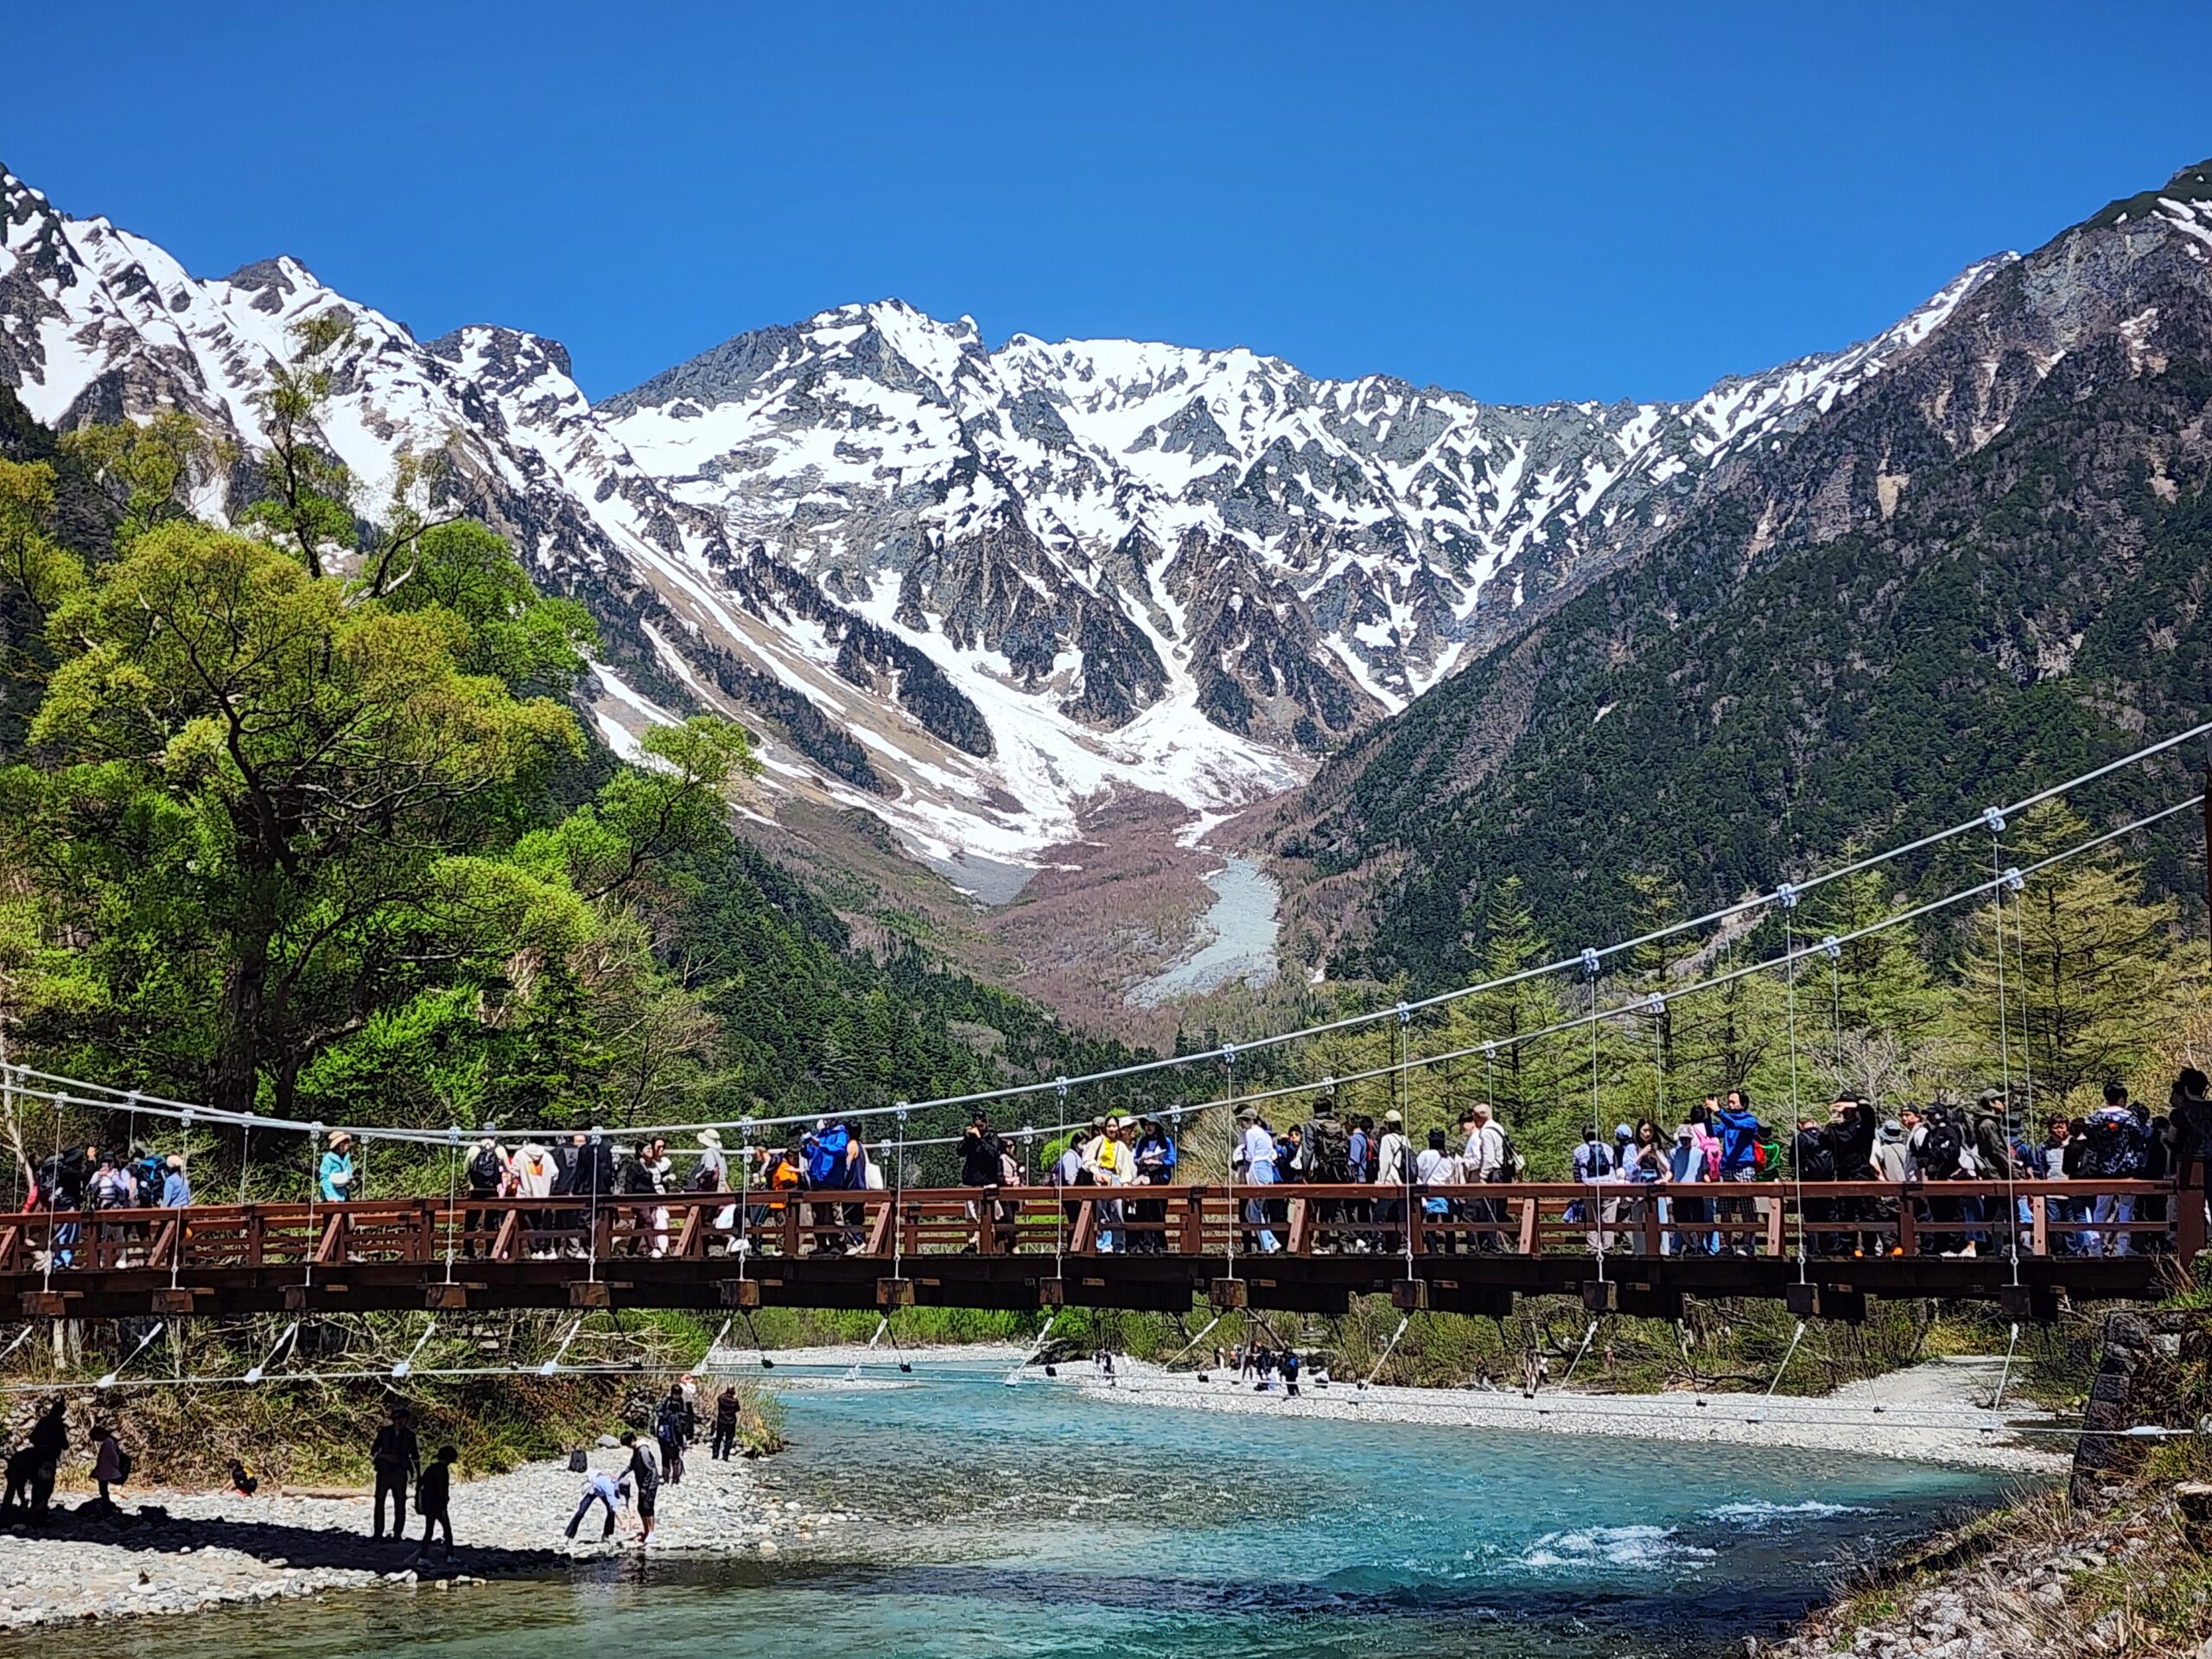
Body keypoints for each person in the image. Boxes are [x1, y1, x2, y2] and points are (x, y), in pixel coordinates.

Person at [1233, 1105, 1281, 1254]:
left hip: (1257, 1168)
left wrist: (1239, 1156)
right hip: (1267, 1169)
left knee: (1254, 1211)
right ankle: (1270, 1242)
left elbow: (1250, 1155)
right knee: (1252, 1211)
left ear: (1248, 1121)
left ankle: (1268, 1245)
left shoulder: (1251, 1133)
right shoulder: (1265, 1134)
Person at [371, 1406, 420, 1540]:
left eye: (403, 1419)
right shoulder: (384, 1432)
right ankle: (378, 1533)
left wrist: (418, 1473)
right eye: (398, 1419)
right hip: (384, 1472)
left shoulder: (410, 1436)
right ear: (394, 1420)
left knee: (400, 1503)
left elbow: (415, 1456)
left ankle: (398, 1533)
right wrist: (387, 1457)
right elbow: (374, 1451)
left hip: (400, 1472)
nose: (401, 1422)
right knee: (379, 1501)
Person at [1131, 1116, 1177, 1253]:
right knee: (1143, 1212)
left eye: (1152, 1124)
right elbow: (1135, 1158)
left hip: (1159, 1178)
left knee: (1158, 1212)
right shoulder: (1142, 1141)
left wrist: (1159, 1162)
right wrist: (1143, 1160)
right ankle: (1145, 1246)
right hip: (1144, 1177)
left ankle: (1160, 1246)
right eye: (1146, 1125)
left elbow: (1172, 1160)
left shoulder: (1166, 1141)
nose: (1148, 1127)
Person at [512, 1140, 560, 1258]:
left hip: (527, 1197)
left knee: (530, 1225)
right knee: (546, 1224)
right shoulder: (547, 1156)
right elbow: (555, 1173)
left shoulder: (520, 1154)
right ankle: (547, 1249)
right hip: (544, 1196)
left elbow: (513, 1172)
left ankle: (535, 1251)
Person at [1372, 1109, 1410, 1255]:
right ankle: (1399, 1244)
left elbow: (1385, 1162)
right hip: (1403, 1182)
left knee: (1381, 1215)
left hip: (1390, 1182)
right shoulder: (1405, 1139)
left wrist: (1380, 1183)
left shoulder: (1387, 1139)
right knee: (1398, 1214)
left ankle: (1379, 1245)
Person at [464, 1135, 506, 1258]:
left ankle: (468, 1252)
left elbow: (464, 1169)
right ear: (495, 1136)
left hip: (475, 1190)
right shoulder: (500, 1150)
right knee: (491, 1222)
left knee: (471, 1222)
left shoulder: (473, 1149)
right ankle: (490, 1252)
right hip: (492, 1191)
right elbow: (508, 1170)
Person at [415, 1444, 456, 1561]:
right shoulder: (443, 1470)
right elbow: (442, 1489)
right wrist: (443, 1503)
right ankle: (450, 1555)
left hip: (428, 1504)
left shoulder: (430, 1468)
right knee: (447, 1530)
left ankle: (423, 1556)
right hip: (438, 1505)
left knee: (429, 1531)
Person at [621, 1429, 660, 1544]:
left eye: (629, 1444)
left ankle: (652, 1533)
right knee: (640, 1507)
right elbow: (632, 1466)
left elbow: (649, 1470)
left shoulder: (643, 1450)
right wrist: (619, 1476)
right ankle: (646, 1531)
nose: (629, 1447)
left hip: (650, 1484)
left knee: (648, 1507)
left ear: (633, 1440)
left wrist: (644, 1487)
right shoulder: (636, 1450)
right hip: (642, 1484)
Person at [567, 1465, 621, 1542]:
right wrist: (622, 1523)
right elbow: (614, 1505)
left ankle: (607, 1534)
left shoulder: (616, 1485)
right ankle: (569, 1536)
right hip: (593, 1490)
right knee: (580, 1512)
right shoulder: (610, 1488)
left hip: (602, 1491)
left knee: (611, 1512)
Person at [656, 1383, 693, 1485]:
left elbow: (685, 1417)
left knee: (676, 1457)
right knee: (665, 1457)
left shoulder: (682, 1402)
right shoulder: (666, 1401)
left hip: (676, 1434)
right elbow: (659, 1412)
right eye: (675, 1394)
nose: (676, 1396)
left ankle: (675, 1478)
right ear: (672, 1393)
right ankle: (666, 1477)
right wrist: (666, 1416)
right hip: (666, 1434)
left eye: (678, 1394)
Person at [87, 1424, 127, 1508]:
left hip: (109, 1470)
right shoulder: (110, 1441)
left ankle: (106, 1503)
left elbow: (109, 1458)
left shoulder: (108, 1442)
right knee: (103, 1488)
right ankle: (106, 1503)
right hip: (110, 1469)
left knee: (103, 1488)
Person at [319, 1131, 356, 1205]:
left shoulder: (346, 1157)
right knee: (336, 1215)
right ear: (339, 1144)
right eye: (346, 1143)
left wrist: (350, 1179)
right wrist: (330, 1196)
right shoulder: (328, 1158)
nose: (348, 1145)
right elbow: (324, 1178)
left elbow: (349, 1171)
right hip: (331, 1196)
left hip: (344, 1195)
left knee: (347, 1214)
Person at [711, 1384, 741, 1460]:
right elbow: (737, 1409)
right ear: (733, 1391)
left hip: (721, 1421)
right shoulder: (734, 1401)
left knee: (718, 1439)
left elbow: (719, 1398)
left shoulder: (721, 1398)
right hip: (731, 1422)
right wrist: (735, 1398)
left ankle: (715, 1455)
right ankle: (725, 1456)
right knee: (729, 1440)